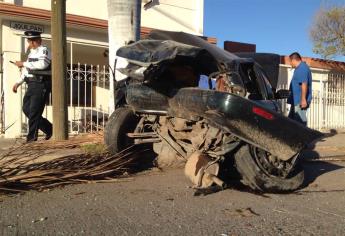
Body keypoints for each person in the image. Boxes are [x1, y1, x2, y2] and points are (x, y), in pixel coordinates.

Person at [12, 31, 52, 142]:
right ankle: (49, 128)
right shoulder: (31, 54)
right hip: (31, 84)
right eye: (30, 41)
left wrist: (23, 63)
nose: (32, 43)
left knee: (34, 111)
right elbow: (26, 70)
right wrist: (18, 83)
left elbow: (42, 65)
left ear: (39, 40)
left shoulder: (44, 50)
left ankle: (31, 138)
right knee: (26, 109)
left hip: (41, 84)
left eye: (34, 40)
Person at [287, 52, 312, 126]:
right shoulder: (298, 68)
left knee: (300, 123)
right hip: (296, 100)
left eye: (290, 61)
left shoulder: (302, 68)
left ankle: (303, 137)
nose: (290, 63)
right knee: (291, 122)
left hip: (300, 101)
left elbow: (304, 83)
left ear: (294, 60)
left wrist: (303, 99)